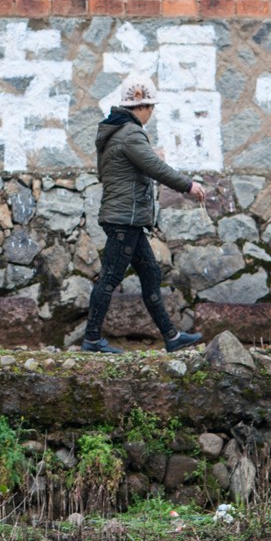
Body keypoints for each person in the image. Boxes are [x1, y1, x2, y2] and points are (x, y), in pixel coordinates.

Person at [81, 73, 208, 354]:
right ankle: (91, 339)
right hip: (124, 219)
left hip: (127, 218)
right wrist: (189, 185)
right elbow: (155, 168)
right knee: (110, 278)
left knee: (150, 272)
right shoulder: (130, 132)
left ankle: (171, 337)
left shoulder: (116, 132)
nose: (151, 113)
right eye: (151, 108)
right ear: (142, 106)